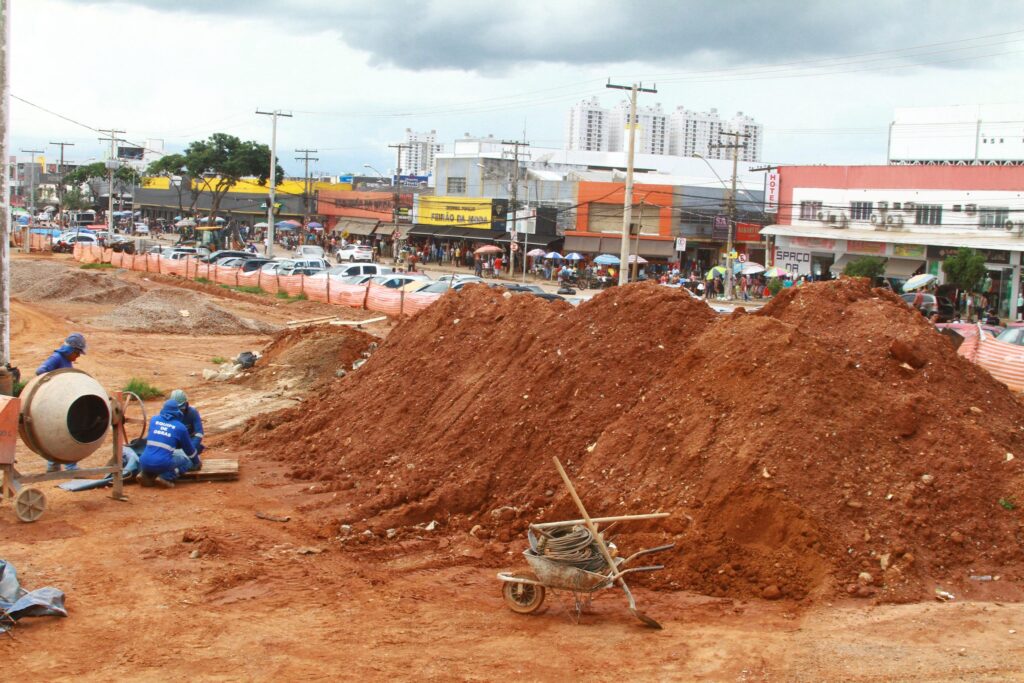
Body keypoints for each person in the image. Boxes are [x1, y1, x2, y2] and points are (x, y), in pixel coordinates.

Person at [36, 333, 87, 473]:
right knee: (67, 433)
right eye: (77, 353)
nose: (78, 356)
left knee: (60, 434)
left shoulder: (67, 361)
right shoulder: (56, 358)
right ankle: (68, 467)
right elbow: (40, 371)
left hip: (63, 403)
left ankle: (54, 466)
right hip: (56, 404)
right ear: (70, 350)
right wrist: (55, 385)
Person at [139, 399, 199, 489]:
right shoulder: (180, 427)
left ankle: (145, 474)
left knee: (158, 457)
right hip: (162, 463)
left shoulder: (154, 420)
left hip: (144, 461)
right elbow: (189, 451)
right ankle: (166, 477)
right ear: (177, 411)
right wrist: (196, 463)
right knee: (186, 461)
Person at [170, 389, 204, 457]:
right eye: (177, 408)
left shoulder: (192, 412)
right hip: (174, 443)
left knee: (198, 448)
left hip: (189, 442)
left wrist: (191, 449)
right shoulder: (169, 414)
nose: (179, 411)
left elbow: (199, 433)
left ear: (186, 403)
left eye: (181, 408)